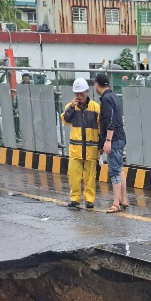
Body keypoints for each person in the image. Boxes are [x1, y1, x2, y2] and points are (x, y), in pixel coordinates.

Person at [62, 77, 101, 209]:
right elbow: (66, 119)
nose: (79, 96)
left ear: (87, 92)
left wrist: (100, 147)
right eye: (77, 94)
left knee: (90, 176)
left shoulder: (95, 108)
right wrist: (72, 107)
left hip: (91, 147)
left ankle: (89, 200)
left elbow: (101, 127)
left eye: (81, 93)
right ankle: (75, 199)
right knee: (74, 176)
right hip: (76, 148)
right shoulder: (70, 107)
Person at [93, 71, 129, 213]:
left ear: (97, 84)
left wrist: (107, 140)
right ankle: (123, 199)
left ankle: (116, 204)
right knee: (119, 169)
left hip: (113, 139)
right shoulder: (113, 96)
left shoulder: (106, 99)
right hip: (120, 138)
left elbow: (110, 120)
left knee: (114, 171)